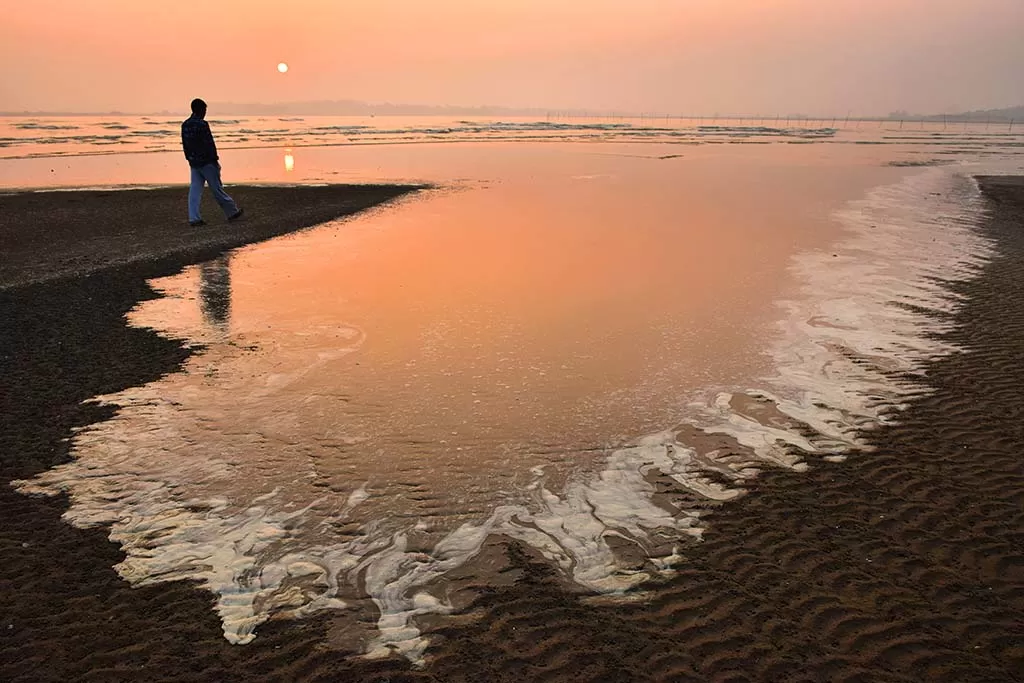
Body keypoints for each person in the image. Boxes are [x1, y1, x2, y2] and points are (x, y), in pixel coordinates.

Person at [181, 98, 243, 226]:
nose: (205, 113)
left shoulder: (185, 124)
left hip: (194, 162)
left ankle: (194, 218)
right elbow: (209, 143)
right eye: (204, 110)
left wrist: (188, 158)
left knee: (195, 190)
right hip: (207, 162)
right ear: (200, 110)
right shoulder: (202, 125)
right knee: (216, 188)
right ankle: (232, 211)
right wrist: (215, 159)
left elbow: (185, 145)